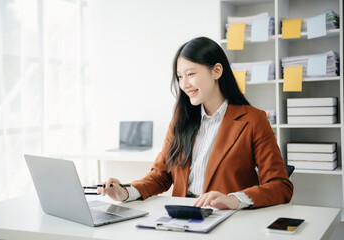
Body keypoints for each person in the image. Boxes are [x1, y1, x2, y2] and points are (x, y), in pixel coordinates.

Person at [98, 37, 293, 209]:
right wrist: (126, 192)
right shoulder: (181, 120)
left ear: (216, 71)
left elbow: (280, 185)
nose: (184, 85)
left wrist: (234, 199)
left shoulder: (253, 120)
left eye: (190, 74)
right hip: (184, 220)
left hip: (228, 222)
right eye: (180, 77)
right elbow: (160, 175)